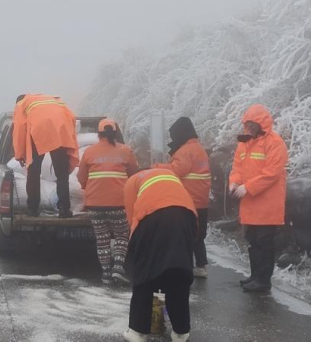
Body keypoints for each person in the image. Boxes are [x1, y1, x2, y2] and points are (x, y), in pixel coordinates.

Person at [122, 168, 198, 342]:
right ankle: (181, 332)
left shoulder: (132, 181)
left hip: (150, 216)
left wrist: (135, 253)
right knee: (178, 273)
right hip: (185, 217)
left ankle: (138, 332)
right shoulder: (170, 174)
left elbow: (132, 217)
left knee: (145, 274)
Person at [228, 103, 288, 293]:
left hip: (268, 202)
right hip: (251, 201)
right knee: (252, 239)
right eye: (247, 123)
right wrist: (234, 182)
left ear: (262, 123)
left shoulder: (274, 142)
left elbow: (272, 173)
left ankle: (263, 281)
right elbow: (237, 167)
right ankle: (255, 276)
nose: (249, 127)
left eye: (253, 123)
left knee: (265, 241)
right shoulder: (244, 143)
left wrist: (249, 187)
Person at [77, 118, 139, 284]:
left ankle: (105, 273)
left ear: (99, 134)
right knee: (121, 235)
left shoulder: (89, 152)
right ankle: (118, 267)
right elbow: (134, 175)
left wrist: (88, 188)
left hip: (95, 204)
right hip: (119, 203)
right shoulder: (126, 150)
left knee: (102, 238)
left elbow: (81, 177)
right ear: (116, 132)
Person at [155, 116, 211, 277]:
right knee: (199, 235)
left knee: (185, 235)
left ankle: (185, 267)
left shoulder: (185, 151)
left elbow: (178, 170)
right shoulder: (200, 149)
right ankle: (201, 266)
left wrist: (157, 167)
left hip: (187, 200)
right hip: (202, 199)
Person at [13, 93, 80, 217]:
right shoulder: (54, 100)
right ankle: (64, 209)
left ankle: (33, 208)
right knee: (62, 174)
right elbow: (71, 117)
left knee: (33, 172)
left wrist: (19, 154)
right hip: (61, 130)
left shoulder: (21, 104)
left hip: (38, 131)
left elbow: (19, 129)